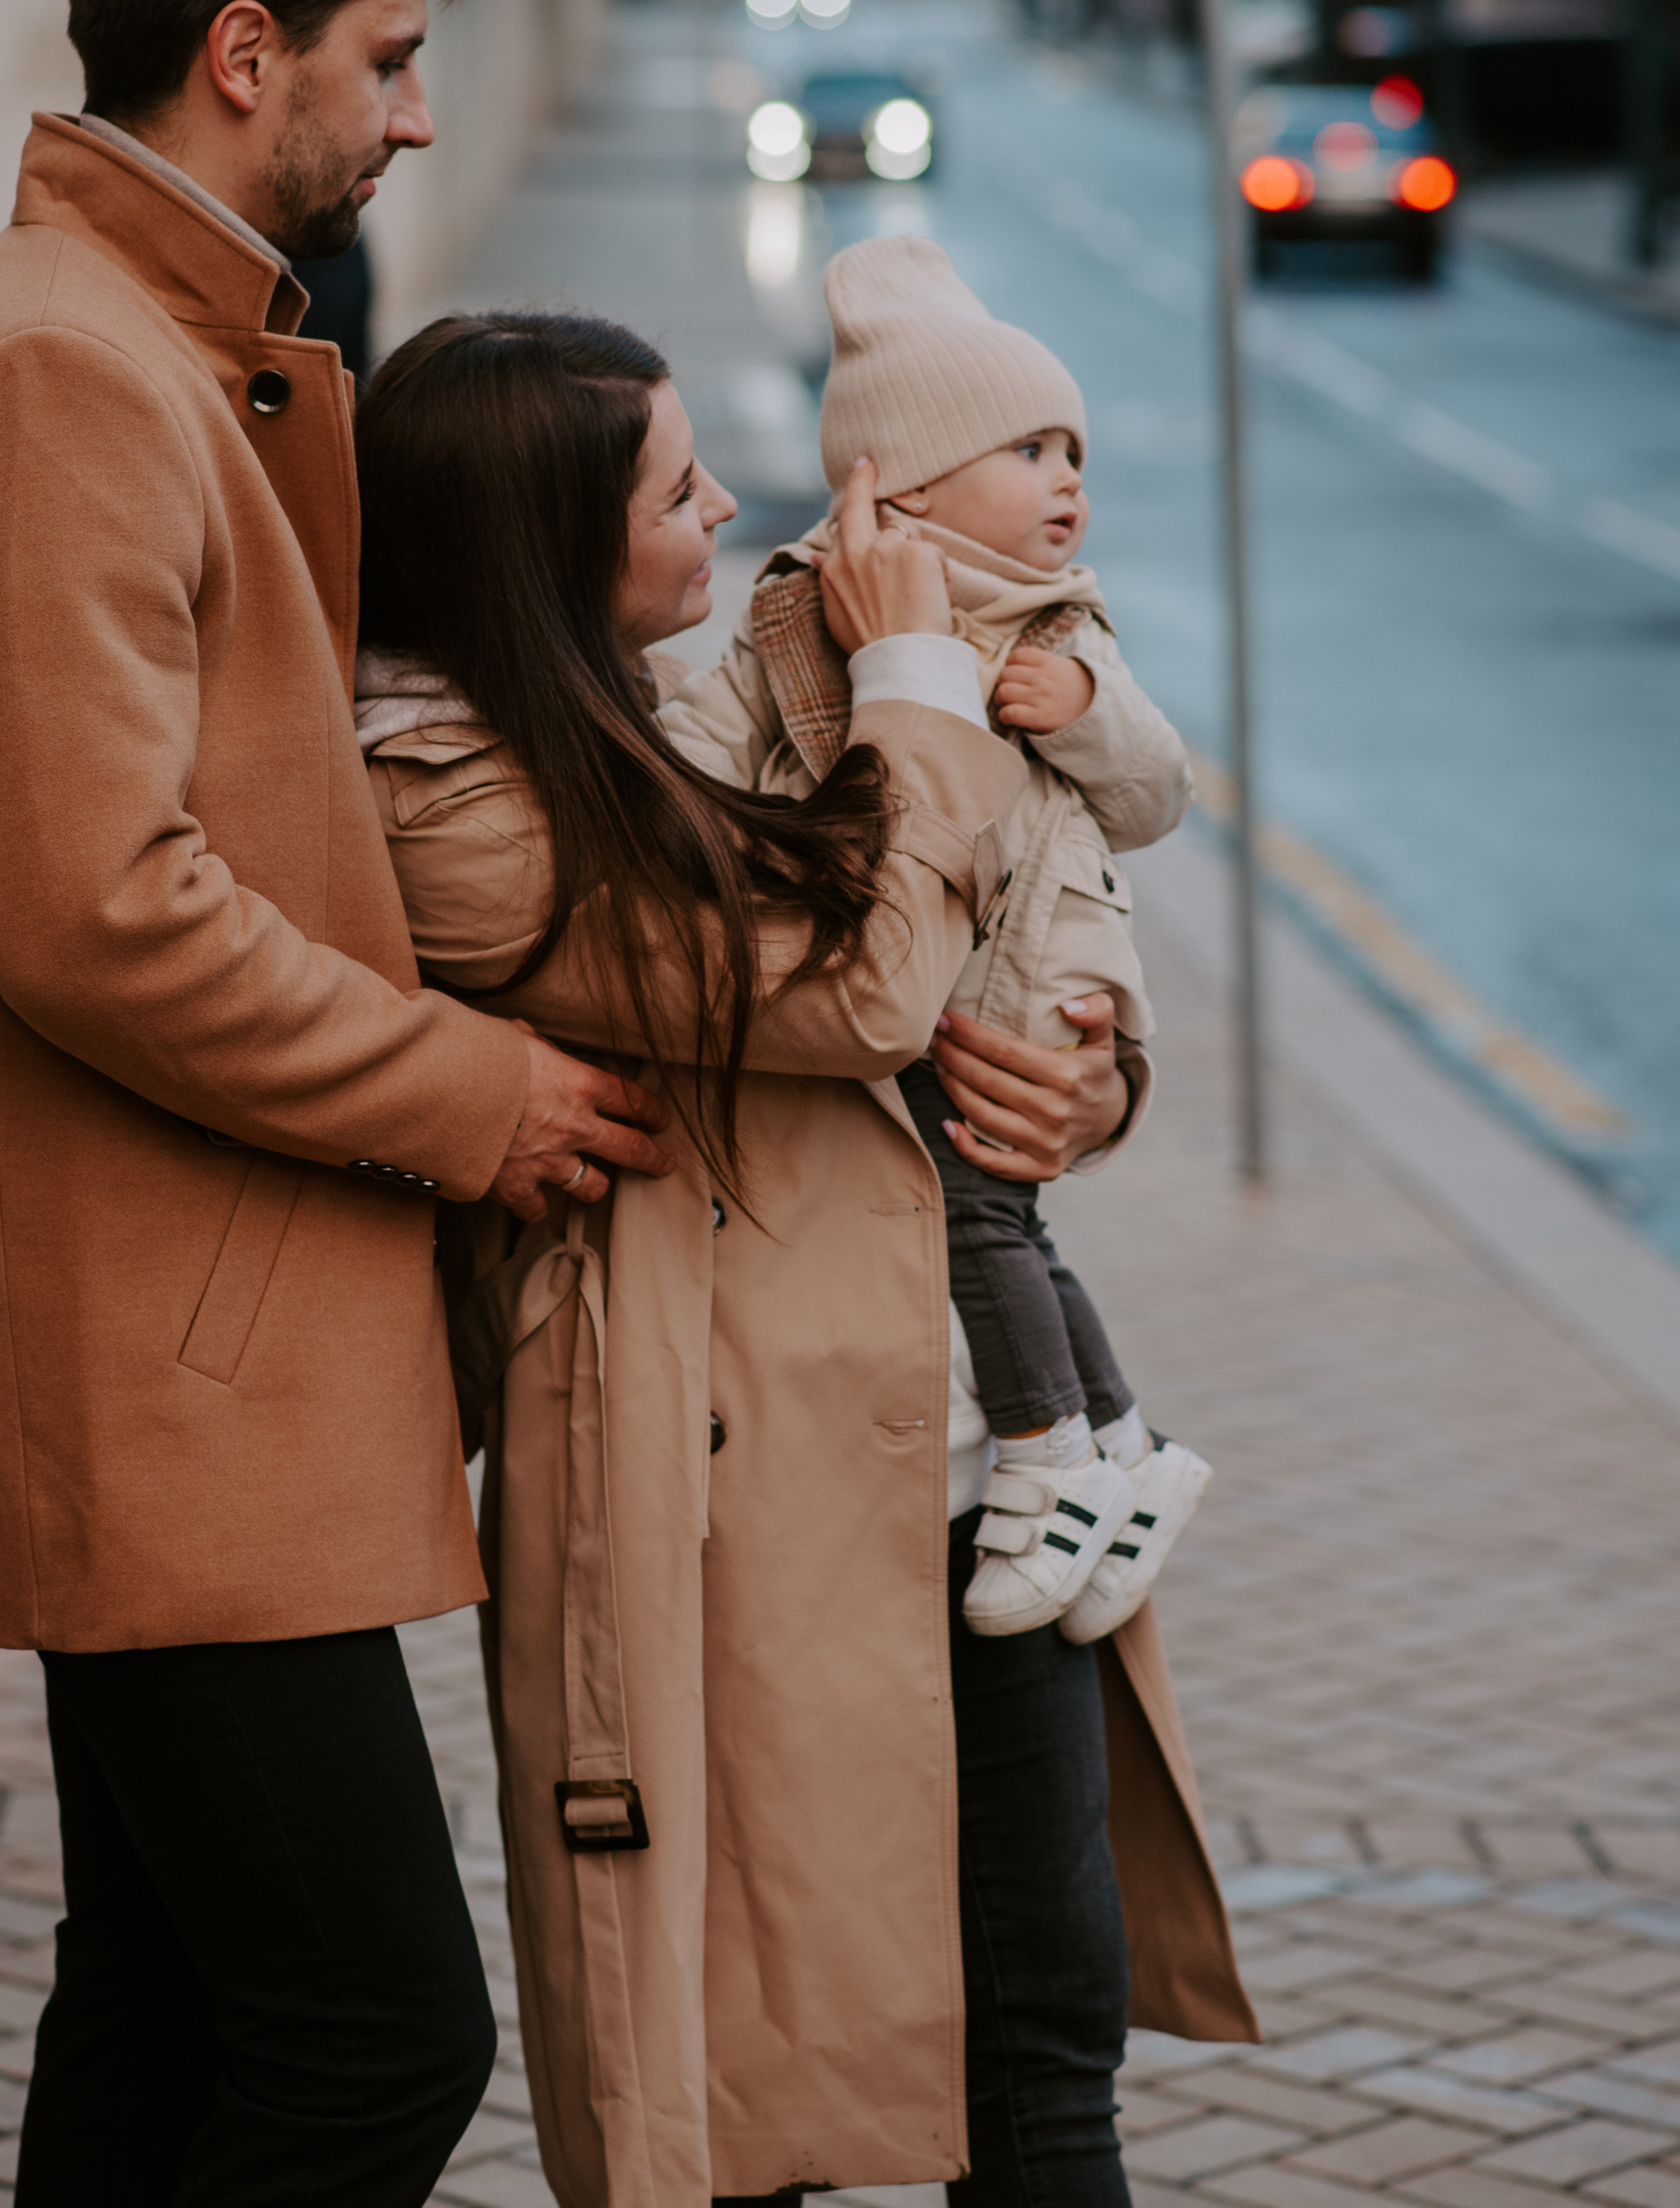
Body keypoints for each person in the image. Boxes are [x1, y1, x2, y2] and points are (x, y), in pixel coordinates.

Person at [0, 0, 676, 2208]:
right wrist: (474, 1090)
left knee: (171, 2007)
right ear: (244, 50)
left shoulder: (142, 347)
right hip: (156, 1378)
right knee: (371, 2037)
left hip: (178, 1352)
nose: (418, 115)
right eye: (389, 57)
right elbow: (100, 906)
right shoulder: (58, 376)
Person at [353, 308, 1256, 2208]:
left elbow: (987, 922)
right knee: (748, 2076)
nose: (726, 507)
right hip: (733, 1495)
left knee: (1044, 2027)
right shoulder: (454, 803)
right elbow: (857, 990)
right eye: (674, 488)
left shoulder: (651, 709)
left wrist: (1085, 1076)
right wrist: (914, 672)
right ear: (547, 542)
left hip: (965, 1462)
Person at [662, 236, 1211, 1642]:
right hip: (929, 963)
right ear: (902, 486)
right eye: (1028, 450)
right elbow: (714, 741)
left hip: (1029, 972)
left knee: (974, 1212)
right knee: (1002, 1217)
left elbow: (1156, 797)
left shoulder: (1061, 627)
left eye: (1072, 451)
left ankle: (1045, 1455)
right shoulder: (798, 609)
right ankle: (1121, 1446)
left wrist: (1087, 708)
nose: (1068, 480)